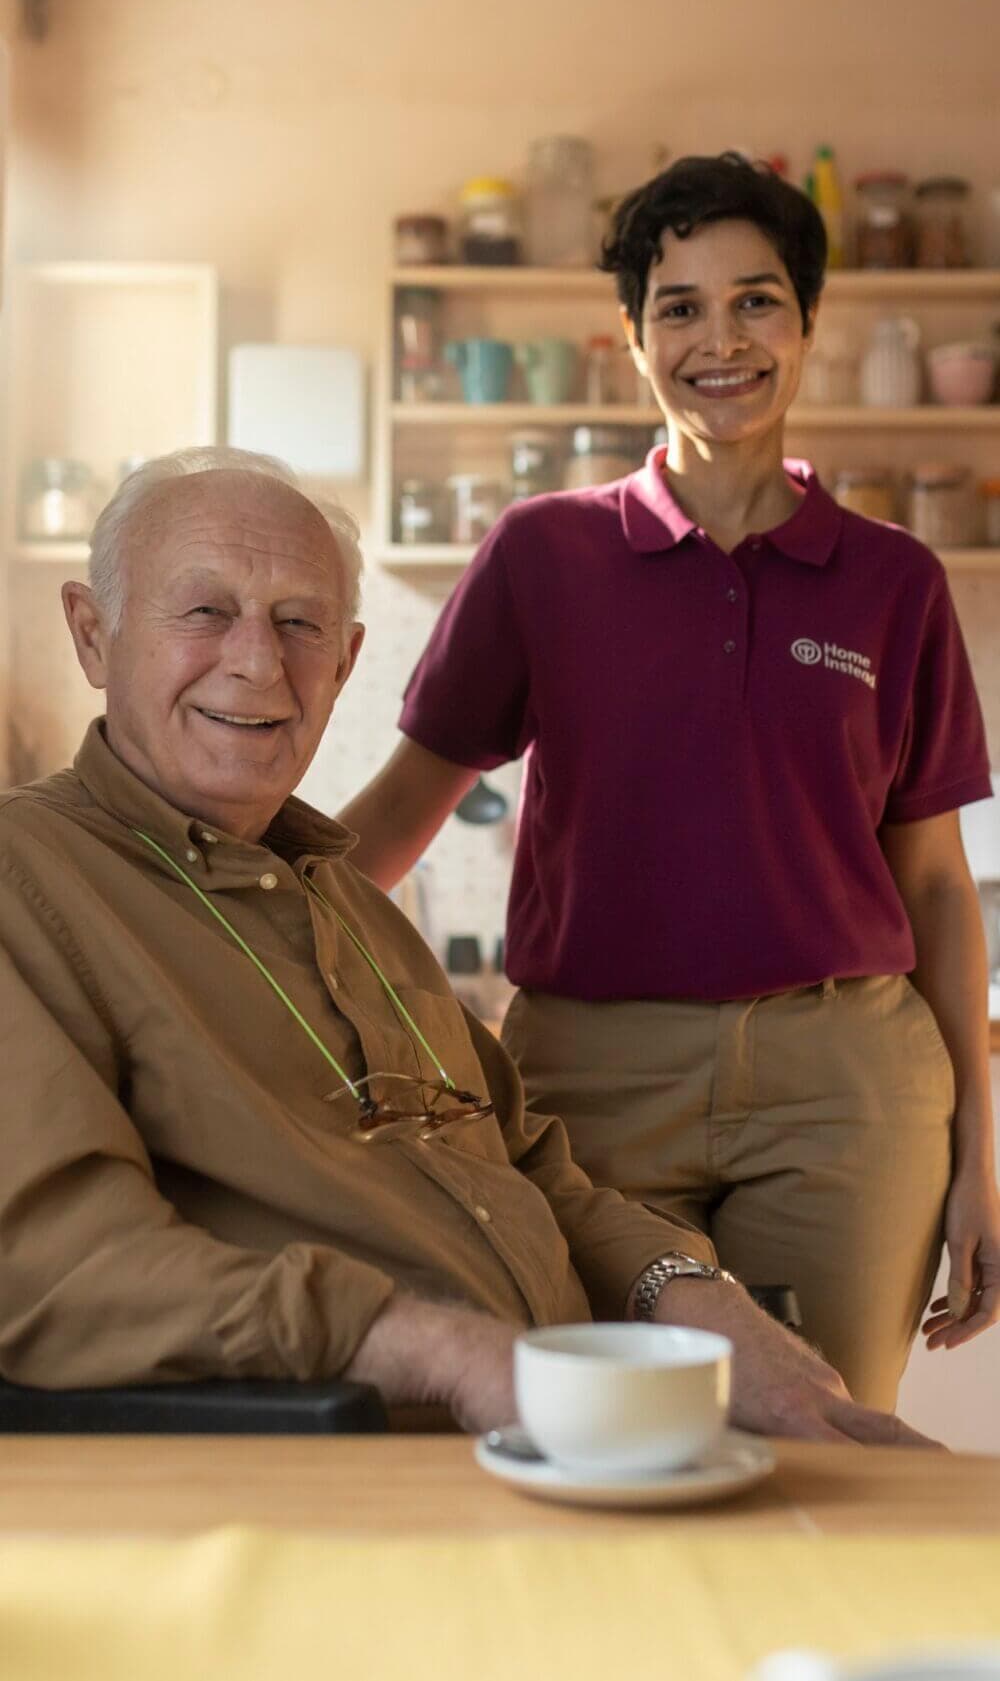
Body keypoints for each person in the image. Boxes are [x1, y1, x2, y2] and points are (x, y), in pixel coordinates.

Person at [0, 444, 935, 1447]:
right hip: (371, 1475)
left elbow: (533, 1166)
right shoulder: (29, 878)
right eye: (203, 611)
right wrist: (439, 1354)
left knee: (907, 1518)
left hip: (577, 1435)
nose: (257, 661)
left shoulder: (348, 903)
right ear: (92, 635)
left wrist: (692, 1300)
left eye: (300, 623)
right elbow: (60, 1268)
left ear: (346, 661)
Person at [340, 154, 1000, 1412]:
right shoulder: (542, 554)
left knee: (825, 1445)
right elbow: (396, 816)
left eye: (755, 301)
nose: (720, 339)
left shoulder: (893, 580)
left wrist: (981, 1155)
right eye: (679, 306)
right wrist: (220, 928)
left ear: (808, 326)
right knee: (603, 1432)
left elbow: (934, 885)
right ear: (632, 339)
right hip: (588, 1085)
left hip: (845, 1088)